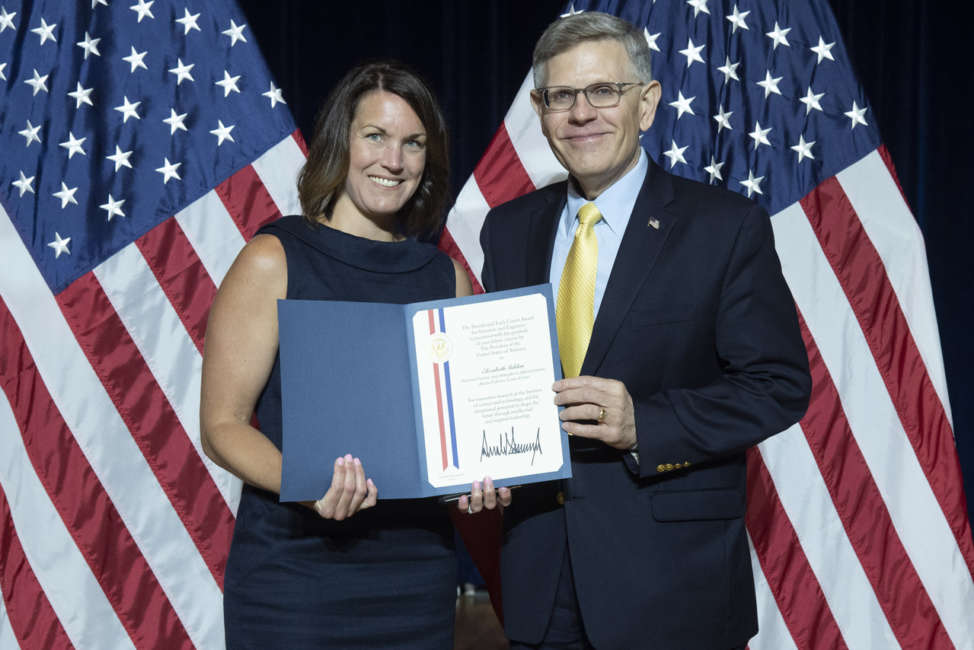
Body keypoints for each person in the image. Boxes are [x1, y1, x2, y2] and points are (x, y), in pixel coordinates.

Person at [478, 13, 812, 650]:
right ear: (539, 111)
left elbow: (778, 385)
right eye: (560, 96)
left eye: (603, 91)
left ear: (647, 103)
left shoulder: (724, 227)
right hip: (540, 584)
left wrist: (645, 425)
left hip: (674, 589)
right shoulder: (508, 228)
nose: (582, 113)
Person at [200, 61, 501, 649]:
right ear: (342, 142)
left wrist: (480, 477)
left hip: (416, 572)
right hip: (295, 573)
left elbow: (457, 434)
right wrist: (309, 484)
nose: (394, 160)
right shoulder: (275, 257)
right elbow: (221, 426)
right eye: (376, 136)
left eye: (413, 143)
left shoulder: (447, 278)